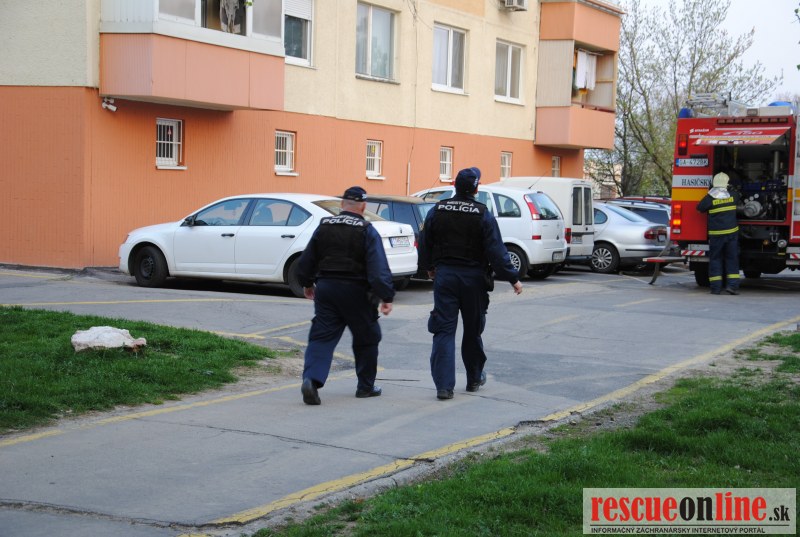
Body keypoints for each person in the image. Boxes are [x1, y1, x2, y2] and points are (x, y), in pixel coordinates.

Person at [417, 167, 523, 400]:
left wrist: (429, 267)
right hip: (473, 279)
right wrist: (513, 277)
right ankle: (474, 378)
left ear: (455, 186)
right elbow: (496, 250)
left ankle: (444, 387)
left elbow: (424, 241)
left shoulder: (437, 210)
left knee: (444, 330)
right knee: (473, 330)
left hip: (445, 277)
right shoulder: (482, 213)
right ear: (476, 188)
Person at [295, 186, 395, 405]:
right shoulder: (367, 230)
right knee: (367, 337)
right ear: (363, 207)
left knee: (321, 337)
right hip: (357, 292)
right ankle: (365, 387)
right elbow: (378, 269)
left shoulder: (324, 226)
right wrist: (386, 296)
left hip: (327, 289)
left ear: (342, 205)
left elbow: (307, 259)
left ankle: (311, 380)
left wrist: (307, 283)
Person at [697, 171, 741, 295]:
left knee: (715, 260)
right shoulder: (734, 195)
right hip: (731, 234)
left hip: (716, 235)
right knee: (732, 259)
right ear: (727, 184)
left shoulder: (710, 198)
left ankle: (716, 288)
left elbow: (699, 208)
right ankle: (732, 287)